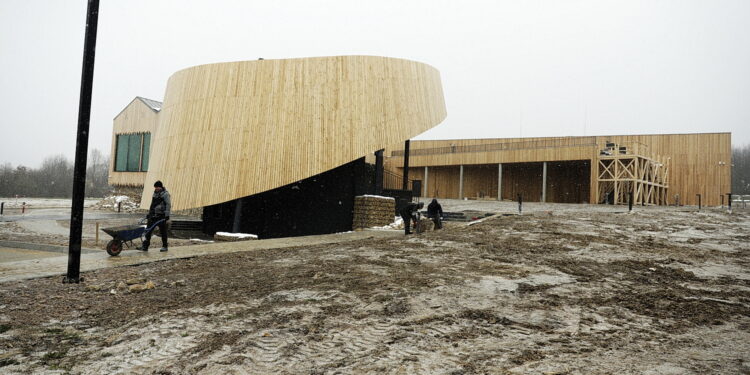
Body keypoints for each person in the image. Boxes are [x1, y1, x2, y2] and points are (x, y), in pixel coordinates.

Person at [140, 180, 171, 252]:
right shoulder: (154, 193)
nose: (156, 189)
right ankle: (145, 246)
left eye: (157, 187)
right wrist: (149, 214)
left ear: (160, 187)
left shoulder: (165, 194)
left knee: (163, 231)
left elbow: (168, 205)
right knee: (148, 231)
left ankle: (165, 246)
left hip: (161, 216)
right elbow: (152, 205)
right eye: (155, 187)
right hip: (153, 215)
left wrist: (167, 215)